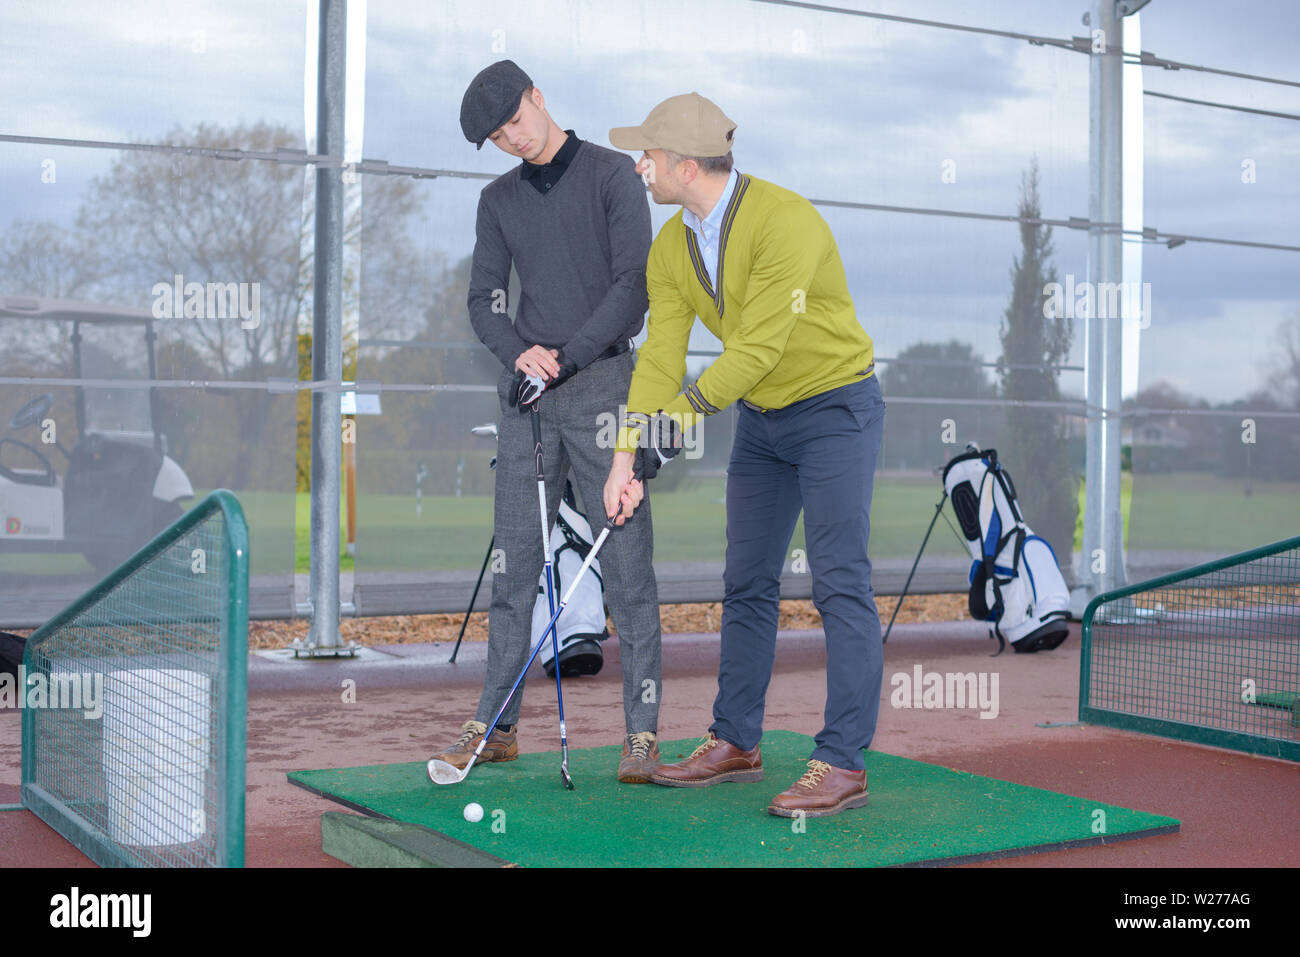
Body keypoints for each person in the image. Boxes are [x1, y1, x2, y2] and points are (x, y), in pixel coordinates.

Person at [602, 92, 886, 817]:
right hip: (762, 422)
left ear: (686, 166)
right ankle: (736, 741)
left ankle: (842, 760)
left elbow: (759, 347)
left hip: (834, 410)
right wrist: (626, 454)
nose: (640, 166)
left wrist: (685, 417)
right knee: (747, 581)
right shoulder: (670, 246)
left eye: (649, 157)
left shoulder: (787, 221)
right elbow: (659, 357)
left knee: (839, 581)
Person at [428, 60, 663, 783]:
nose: (512, 140)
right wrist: (520, 353)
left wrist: (566, 355)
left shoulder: (613, 175)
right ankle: (495, 727)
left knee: (626, 569)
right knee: (515, 565)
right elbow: (482, 300)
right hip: (530, 398)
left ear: (539, 96)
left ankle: (641, 734)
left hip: (605, 387)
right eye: (497, 137)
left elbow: (634, 290)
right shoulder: (497, 201)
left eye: (515, 122)